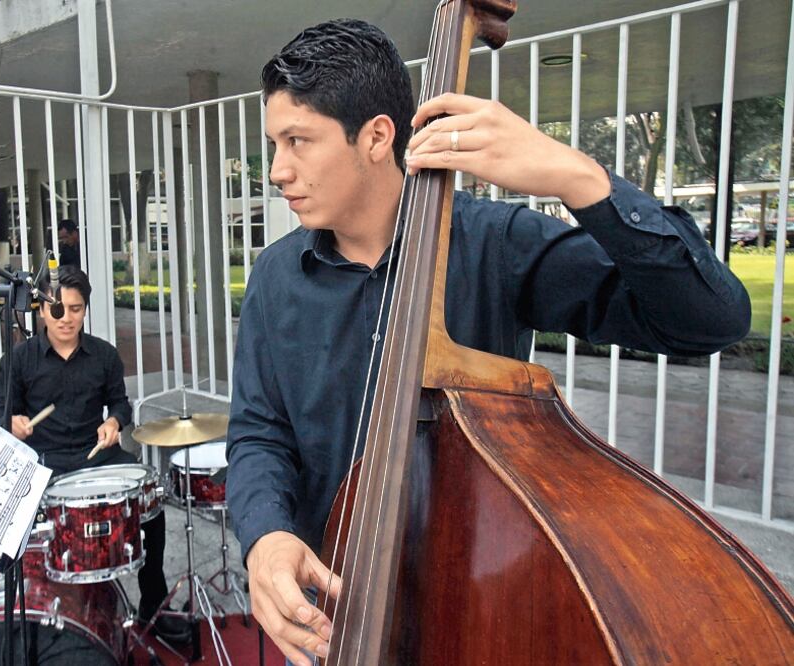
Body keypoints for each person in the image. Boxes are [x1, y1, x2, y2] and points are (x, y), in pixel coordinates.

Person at [224, 18, 751, 666]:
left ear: (375, 138)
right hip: (328, 609)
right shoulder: (276, 276)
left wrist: (575, 178)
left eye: (296, 141)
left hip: (474, 606)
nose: (277, 170)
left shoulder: (495, 244)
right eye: (274, 143)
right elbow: (257, 430)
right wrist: (264, 537)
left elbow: (707, 320)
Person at [0, 265, 190, 645]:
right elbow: (0, 412)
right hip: (43, 463)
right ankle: (38, 609)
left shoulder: (104, 356)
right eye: (58, 309)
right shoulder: (19, 360)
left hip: (94, 455)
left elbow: (120, 403)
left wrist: (114, 422)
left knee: (151, 505)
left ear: (86, 309)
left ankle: (153, 603)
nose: (67, 318)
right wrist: (11, 422)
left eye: (76, 309)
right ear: (41, 310)